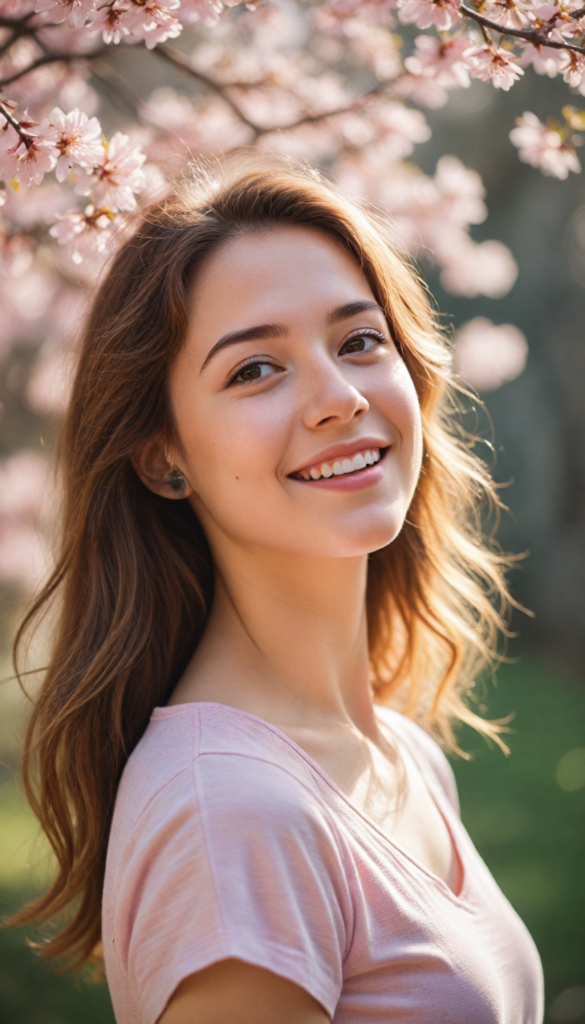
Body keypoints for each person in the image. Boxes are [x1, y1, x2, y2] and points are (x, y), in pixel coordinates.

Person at [9, 155, 544, 1024]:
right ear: (163, 456)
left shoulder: (404, 757)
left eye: (359, 341)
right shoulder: (232, 816)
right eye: (254, 369)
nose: (338, 398)